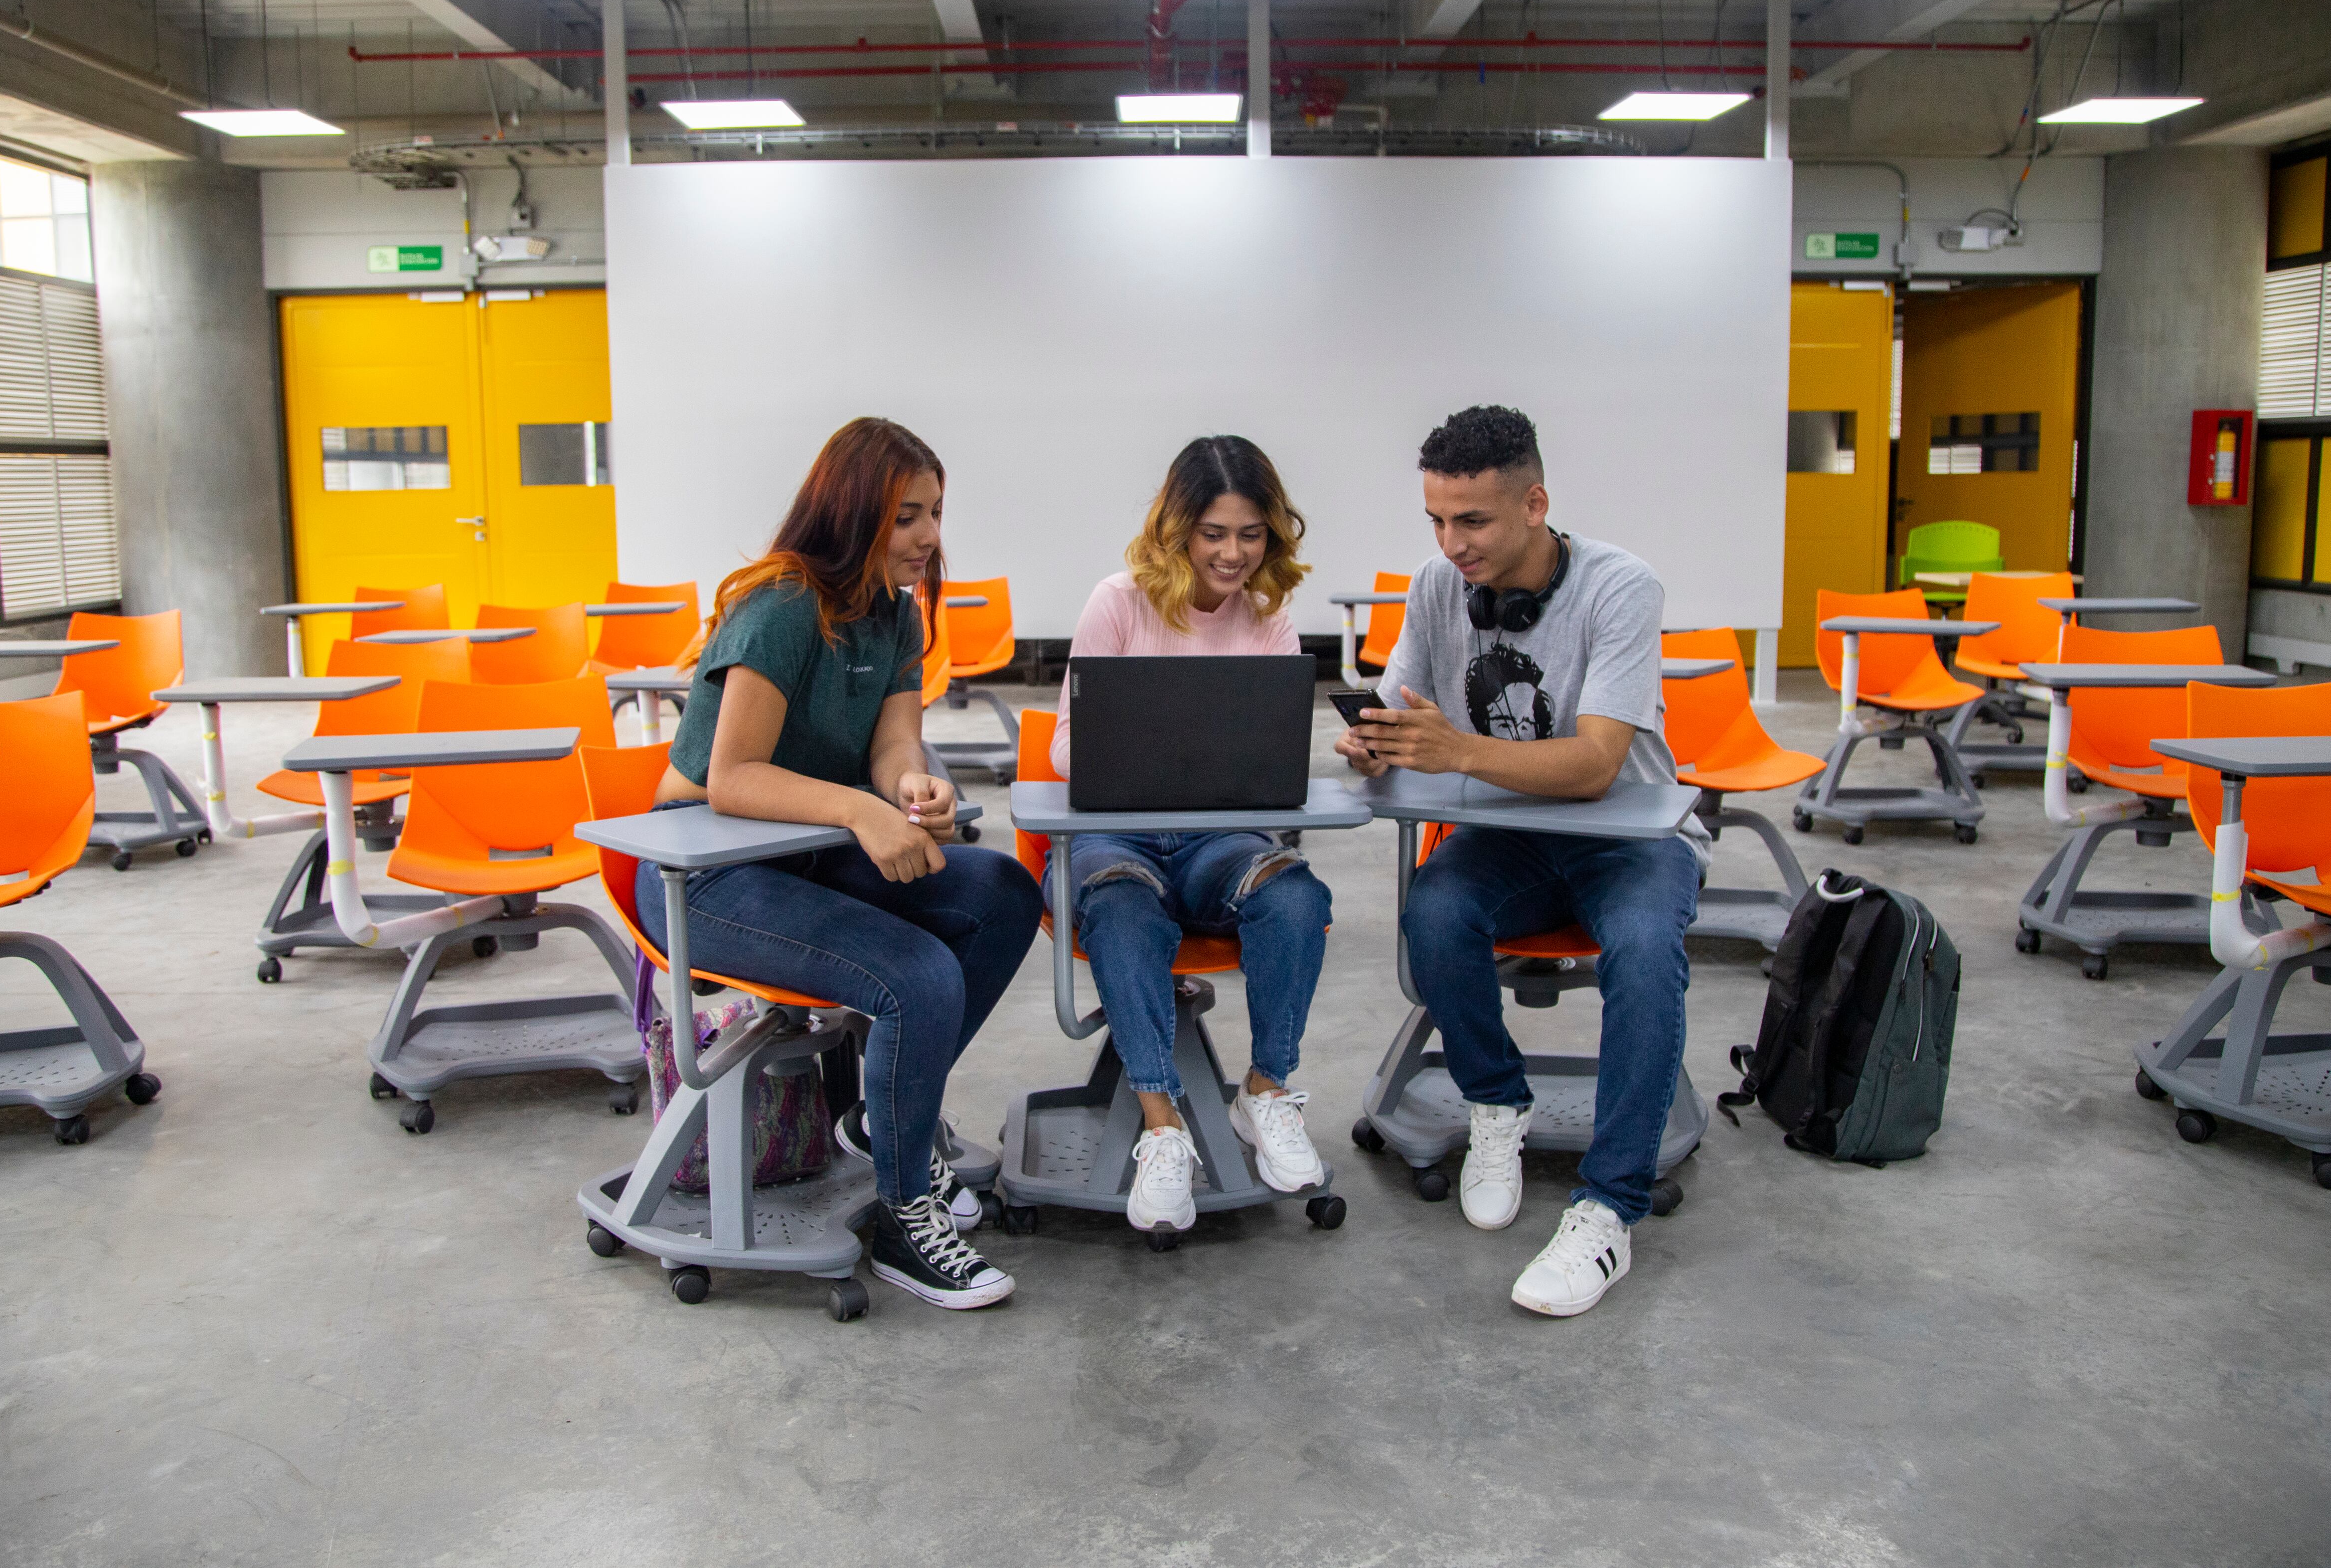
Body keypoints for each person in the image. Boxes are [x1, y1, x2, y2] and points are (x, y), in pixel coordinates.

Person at [637, 416, 1039, 1311]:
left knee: (1005, 890)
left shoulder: (895, 611)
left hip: (809, 853)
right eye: (906, 517)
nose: (929, 537)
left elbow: (895, 743)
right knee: (918, 974)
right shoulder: (780, 606)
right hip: (702, 877)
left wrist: (913, 788)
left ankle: (879, 1115)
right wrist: (863, 808)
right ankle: (904, 1213)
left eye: (934, 513)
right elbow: (732, 778)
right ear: (851, 512)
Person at [1335, 405, 1706, 1319]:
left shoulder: (1623, 587)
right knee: (1435, 911)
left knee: (1646, 952)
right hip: (1509, 838)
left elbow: (1594, 764)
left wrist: (1452, 751)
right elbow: (1403, 704)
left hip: (1631, 838)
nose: (1450, 543)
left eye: (1473, 521)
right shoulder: (1435, 583)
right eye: (1436, 519)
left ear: (1535, 503)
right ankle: (1495, 1105)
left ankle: (1608, 1206)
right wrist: (1376, 741)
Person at [1051, 435, 1336, 1238]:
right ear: (1178, 528)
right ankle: (1162, 1127)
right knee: (1118, 909)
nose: (1234, 552)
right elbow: (1066, 747)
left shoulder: (1270, 618)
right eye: (1215, 533)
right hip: (1123, 837)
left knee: (1294, 893)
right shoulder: (1119, 600)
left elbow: (1278, 755)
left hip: (1221, 839)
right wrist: (1158, 748)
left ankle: (1266, 1091)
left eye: (1251, 534)